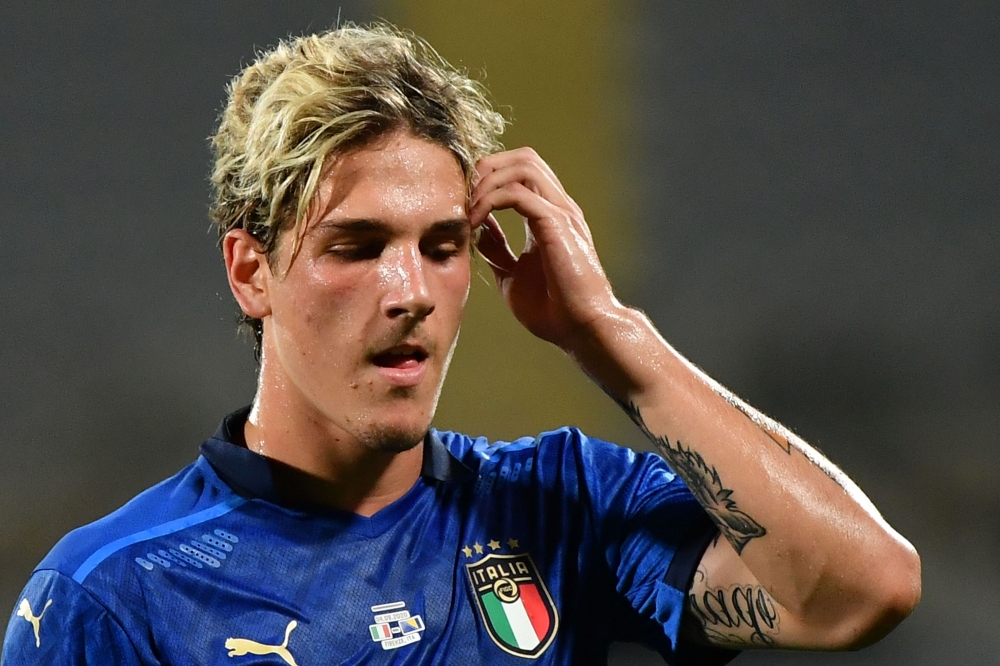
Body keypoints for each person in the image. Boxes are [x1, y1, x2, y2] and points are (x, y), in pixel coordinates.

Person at [2, 23, 920, 665]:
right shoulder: (110, 593)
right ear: (251, 272)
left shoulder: (563, 507)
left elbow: (862, 591)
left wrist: (609, 336)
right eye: (356, 247)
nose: (410, 294)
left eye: (442, 247)